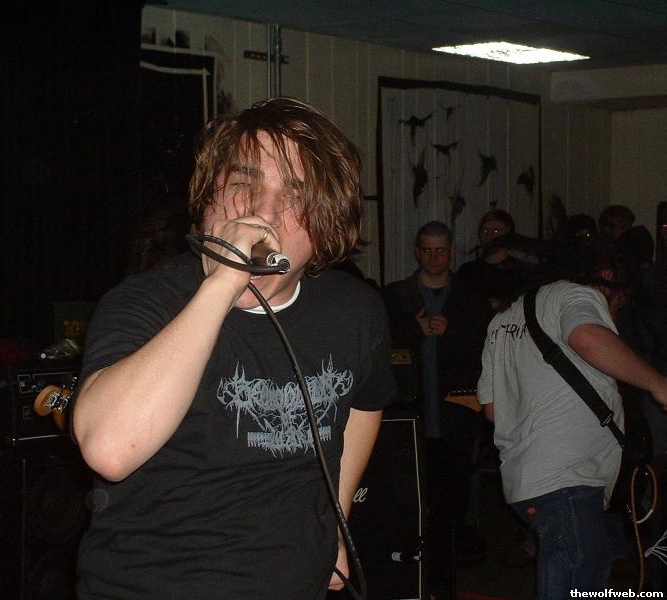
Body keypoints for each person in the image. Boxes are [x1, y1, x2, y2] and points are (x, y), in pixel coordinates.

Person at [71, 97, 396, 600]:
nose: (263, 212)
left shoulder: (355, 310)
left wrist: (336, 519)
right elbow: (110, 450)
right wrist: (222, 285)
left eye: (295, 193)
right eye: (243, 183)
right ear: (208, 199)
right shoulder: (144, 303)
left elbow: (364, 401)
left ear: (326, 222)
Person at [477, 239, 667, 600]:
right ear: (607, 278)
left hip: (527, 481)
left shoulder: (503, 319)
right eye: (619, 303)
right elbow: (587, 337)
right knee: (577, 582)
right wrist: (659, 385)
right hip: (566, 480)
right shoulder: (574, 295)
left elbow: (493, 409)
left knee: (583, 577)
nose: (614, 315)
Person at [383, 221, 493, 598]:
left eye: (441, 250)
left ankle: (446, 579)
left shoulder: (470, 299)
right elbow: (380, 349)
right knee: (409, 508)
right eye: (427, 250)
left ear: (452, 252)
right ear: (417, 252)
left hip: (456, 420)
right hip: (407, 424)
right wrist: (416, 331)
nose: (434, 257)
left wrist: (452, 332)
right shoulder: (395, 297)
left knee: (453, 506)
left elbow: (485, 351)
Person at [456, 209, 532, 312]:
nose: (489, 236)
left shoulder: (521, 272)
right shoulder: (467, 271)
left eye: (496, 231)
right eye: (485, 231)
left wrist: (504, 304)